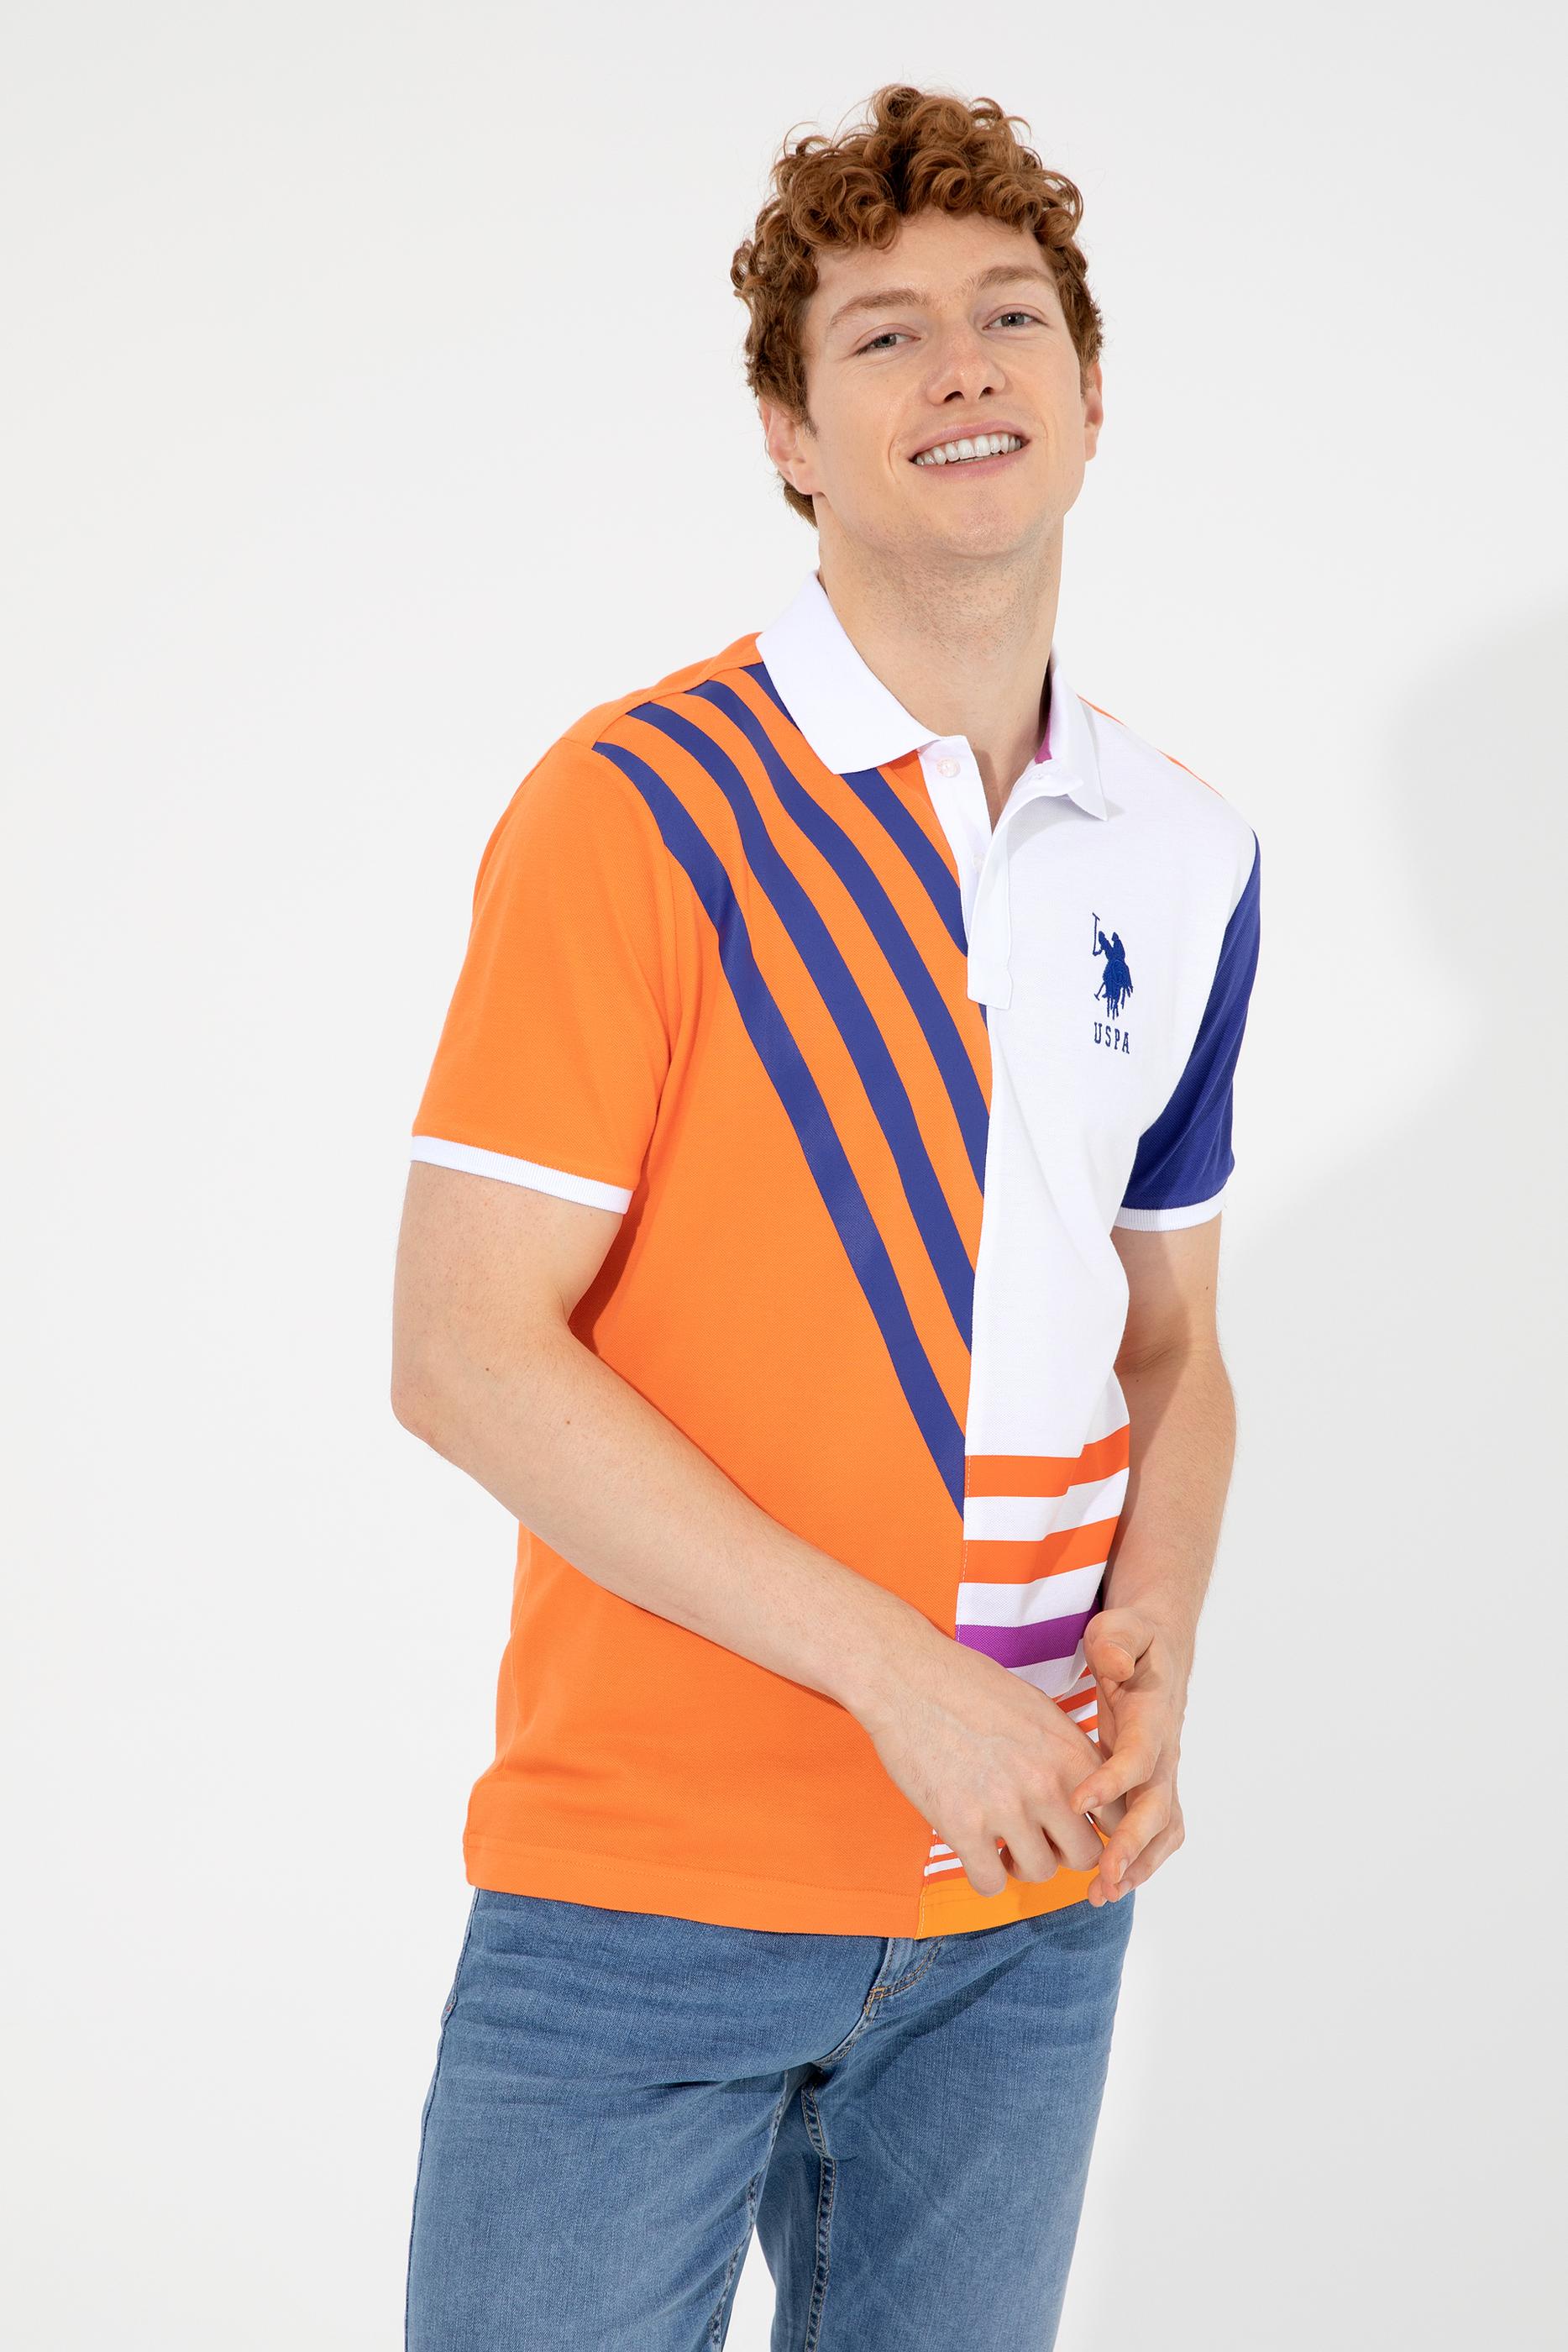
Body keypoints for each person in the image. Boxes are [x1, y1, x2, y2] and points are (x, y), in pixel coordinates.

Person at [392, 80, 1262, 2352]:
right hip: (648, 1891)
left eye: (1010, 315)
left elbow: (1169, 1340)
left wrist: (1155, 1629)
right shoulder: (638, 810)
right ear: (789, 434)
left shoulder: (1185, 852)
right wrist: (904, 1681)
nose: (963, 366)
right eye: (882, 336)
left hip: (1026, 1903)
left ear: (1091, 393)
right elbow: (463, 1350)